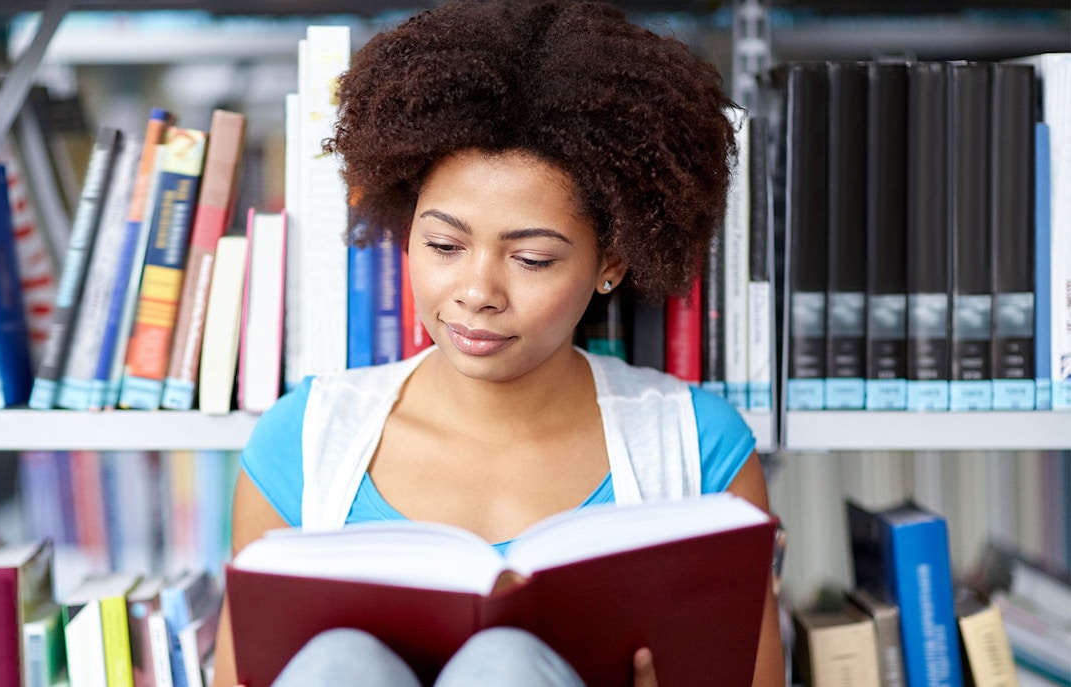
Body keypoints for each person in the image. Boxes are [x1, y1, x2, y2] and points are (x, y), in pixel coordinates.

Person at [212, 0, 784, 685]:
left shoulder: (700, 453)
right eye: (444, 244)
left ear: (612, 263)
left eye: (532, 259)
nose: (477, 290)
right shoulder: (301, 445)